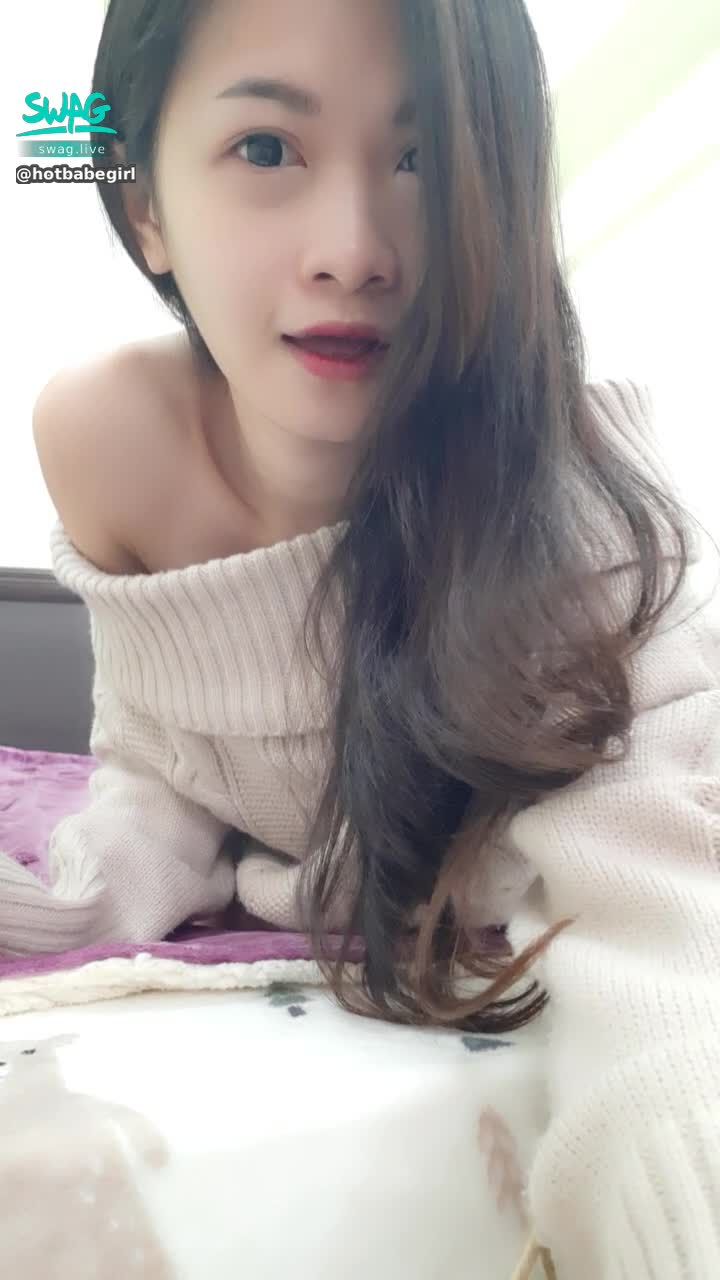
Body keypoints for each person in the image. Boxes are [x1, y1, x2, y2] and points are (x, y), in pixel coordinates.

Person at [3, 1, 719, 1275]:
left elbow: (665, 910)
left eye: (426, 158)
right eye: (266, 148)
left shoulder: (578, 513)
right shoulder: (106, 437)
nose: (356, 251)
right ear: (145, 206)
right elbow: (165, 749)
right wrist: (91, 886)